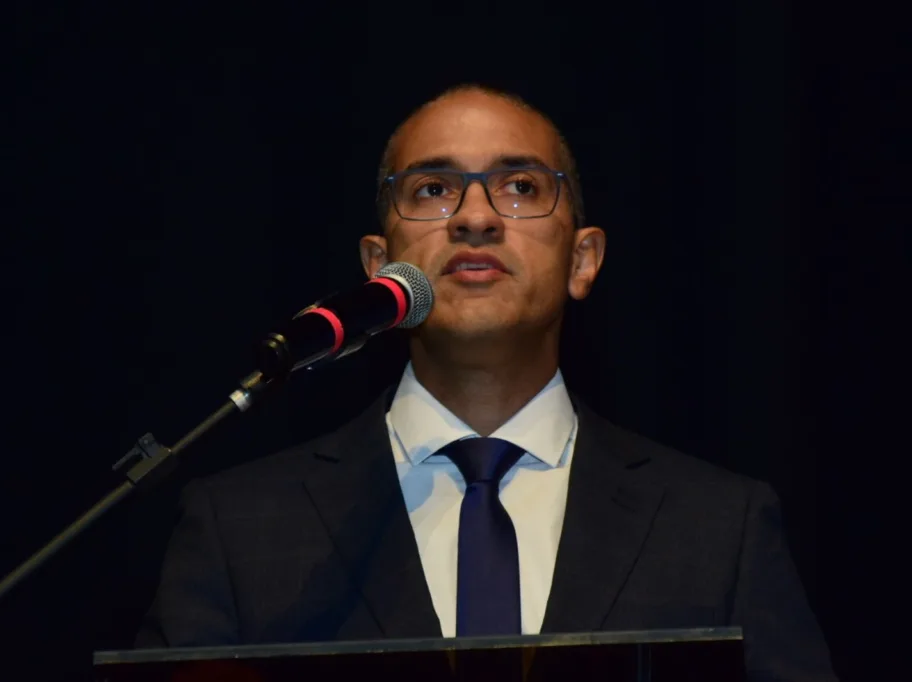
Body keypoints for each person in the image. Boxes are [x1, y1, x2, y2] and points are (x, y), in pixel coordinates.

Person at [136, 84, 836, 681]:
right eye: (434, 189)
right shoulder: (236, 528)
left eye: (521, 187)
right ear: (380, 263)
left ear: (583, 259)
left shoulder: (720, 526)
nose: (475, 217)